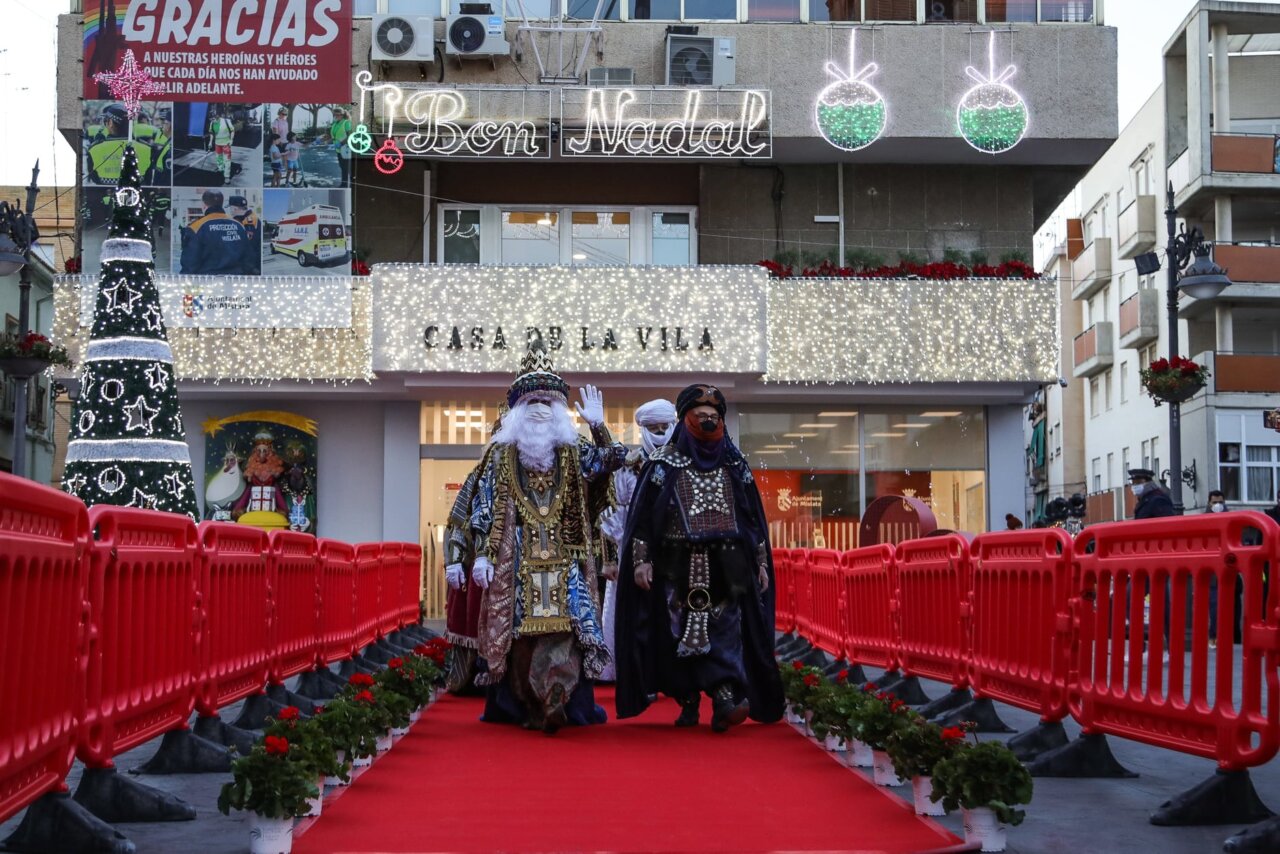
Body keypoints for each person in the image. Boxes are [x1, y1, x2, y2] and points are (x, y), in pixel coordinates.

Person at [469, 340, 625, 733]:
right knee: (519, 635)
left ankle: (559, 696)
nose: (540, 410)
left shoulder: (574, 452)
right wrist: (483, 556)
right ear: (517, 412)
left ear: (559, 413)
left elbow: (612, 461)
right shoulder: (502, 456)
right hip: (516, 559)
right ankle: (527, 704)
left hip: (566, 557)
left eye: (548, 404)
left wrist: (598, 425)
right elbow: (483, 504)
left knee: (567, 631)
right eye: (532, 403)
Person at [615, 384, 785, 732]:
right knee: (677, 633)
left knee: (725, 628)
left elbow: (751, 518)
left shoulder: (735, 464)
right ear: (686, 420)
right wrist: (641, 560)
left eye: (714, 416)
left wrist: (761, 561)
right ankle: (688, 699)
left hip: (729, 564)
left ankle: (724, 697)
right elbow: (644, 518)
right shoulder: (663, 464)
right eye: (700, 416)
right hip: (675, 563)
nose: (708, 422)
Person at [597, 398, 677, 681]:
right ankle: (626, 670)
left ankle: (674, 673)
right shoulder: (628, 466)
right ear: (642, 429)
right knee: (628, 613)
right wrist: (609, 559)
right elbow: (610, 515)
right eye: (652, 428)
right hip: (630, 550)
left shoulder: (682, 463)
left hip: (673, 550)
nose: (659, 432)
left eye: (664, 427)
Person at [443, 407, 506, 694]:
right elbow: (458, 520)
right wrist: (454, 560)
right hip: (478, 566)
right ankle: (474, 676)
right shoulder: (477, 475)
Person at [179, 190, 252, 275]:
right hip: (236, 280)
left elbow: (190, 264)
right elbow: (248, 258)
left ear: (204, 205)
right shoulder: (239, 225)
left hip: (208, 281)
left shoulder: (196, 227)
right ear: (221, 204)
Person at [208, 108, 237, 185]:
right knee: (219, 159)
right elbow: (211, 133)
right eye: (211, 117)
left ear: (218, 115)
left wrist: (231, 140)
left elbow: (232, 130)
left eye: (214, 117)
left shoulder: (226, 121)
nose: (212, 119)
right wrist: (210, 142)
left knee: (227, 160)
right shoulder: (212, 123)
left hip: (226, 144)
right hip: (217, 144)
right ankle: (221, 170)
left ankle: (227, 177)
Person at [328, 107, 353, 186]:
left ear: (342, 115)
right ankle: (344, 183)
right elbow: (334, 136)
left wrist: (341, 143)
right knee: (342, 167)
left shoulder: (346, 123)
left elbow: (349, 135)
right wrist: (327, 141)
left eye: (337, 115)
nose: (335, 116)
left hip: (345, 148)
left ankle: (346, 184)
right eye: (334, 115)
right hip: (338, 149)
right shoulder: (335, 124)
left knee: (346, 167)